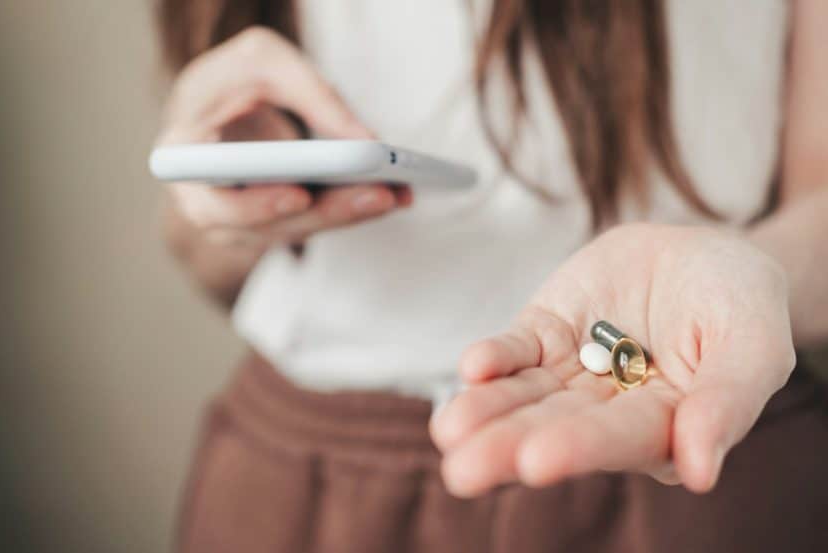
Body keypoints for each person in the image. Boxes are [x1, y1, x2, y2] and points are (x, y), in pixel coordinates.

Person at [155, 1, 828, 551]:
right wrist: (227, 196)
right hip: (306, 478)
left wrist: (751, 276)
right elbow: (203, 256)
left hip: (699, 464)